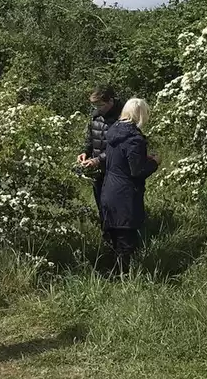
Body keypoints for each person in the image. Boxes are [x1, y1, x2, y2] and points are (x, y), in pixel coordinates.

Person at [99, 98, 159, 277]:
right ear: (141, 114)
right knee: (126, 242)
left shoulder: (113, 132)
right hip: (125, 194)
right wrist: (154, 163)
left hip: (109, 190)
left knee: (114, 239)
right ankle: (123, 278)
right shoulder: (134, 138)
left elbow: (120, 160)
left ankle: (112, 275)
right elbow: (136, 170)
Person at [77, 85, 123, 229]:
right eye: (95, 105)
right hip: (97, 170)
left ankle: (120, 241)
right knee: (101, 205)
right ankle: (106, 236)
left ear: (110, 101)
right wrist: (85, 152)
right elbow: (90, 139)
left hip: (115, 169)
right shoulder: (95, 116)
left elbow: (118, 147)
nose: (98, 108)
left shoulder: (121, 118)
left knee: (115, 207)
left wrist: (98, 160)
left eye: (100, 105)